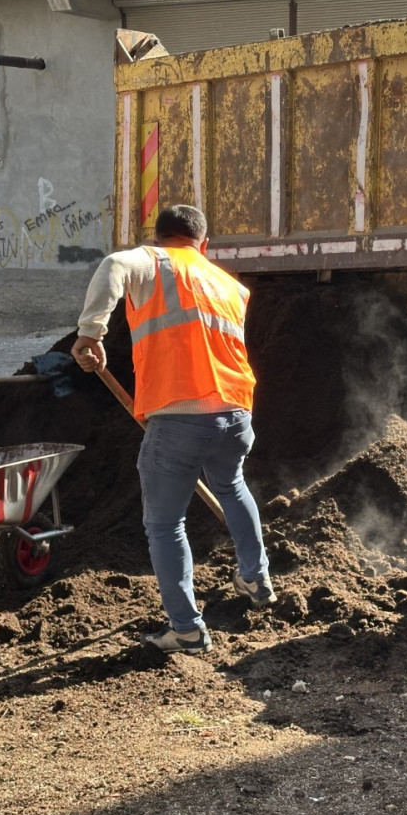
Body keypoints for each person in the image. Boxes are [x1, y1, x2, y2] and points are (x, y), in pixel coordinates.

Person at [71, 204, 275, 656]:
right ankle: (256, 578)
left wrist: (91, 333)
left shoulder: (154, 261)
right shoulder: (228, 285)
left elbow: (113, 265)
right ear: (205, 245)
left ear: (159, 236)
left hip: (181, 415)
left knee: (164, 524)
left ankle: (185, 628)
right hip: (236, 412)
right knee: (231, 484)